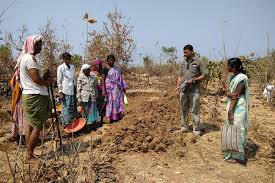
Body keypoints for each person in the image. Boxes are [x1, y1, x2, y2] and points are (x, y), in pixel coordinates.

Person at [19, 35, 53, 162]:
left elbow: (33, 77)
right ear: (30, 45)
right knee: (38, 127)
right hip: (35, 96)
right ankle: (29, 155)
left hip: (30, 95)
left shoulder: (25, 58)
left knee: (30, 125)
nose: (39, 47)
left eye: (40, 45)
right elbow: (36, 79)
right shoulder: (30, 59)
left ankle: (29, 152)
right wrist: (47, 82)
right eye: (37, 44)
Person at [177, 45, 208, 136]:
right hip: (183, 90)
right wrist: (178, 87)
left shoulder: (198, 61)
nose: (184, 54)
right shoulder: (183, 62)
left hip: (194, 90)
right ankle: (184, 127)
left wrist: (194, 80)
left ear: (192, 51)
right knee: (183, 109)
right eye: (184, 52)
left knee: (195, 109)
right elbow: (179, 75)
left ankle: (196, 129)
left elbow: (205, 75)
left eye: (186, 52)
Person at [223, 57, 249, 164]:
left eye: (229, 65)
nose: (227, 67)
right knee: (231, 128)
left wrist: (230, 111)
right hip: (233, 106)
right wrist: (228, 92)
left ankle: (238, 156)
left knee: (238, 129)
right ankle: (231, 152)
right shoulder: (234, 77)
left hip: (238, 107)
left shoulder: (242, 78)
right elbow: (231, 93)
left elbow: (236, 96)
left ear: (233, 67)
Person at [104, 55, 128, 122]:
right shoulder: (105, 69)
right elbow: (103, 79)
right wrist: (104, 89)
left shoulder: (117, 69)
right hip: (109, 88)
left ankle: (116, 116)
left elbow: (121, 78)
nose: (111, 61)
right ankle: (110, 117)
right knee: (109, 102)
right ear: (107, 61)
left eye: (112, 60)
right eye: (110, 60)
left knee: (116, 102)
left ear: (114, 61)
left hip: (117, 88)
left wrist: (124, 87)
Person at [10, 53, 26, 145]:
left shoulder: (17, 75)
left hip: (21, 101)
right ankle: (20, 141)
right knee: (21, 121)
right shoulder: (17, 76)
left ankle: (21, 140)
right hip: (20, 101)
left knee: (21, 121)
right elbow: (14, 88)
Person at [57, 52, 77, 125]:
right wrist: (60, 91)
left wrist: (76, 87)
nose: (67, 61)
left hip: (72, 89)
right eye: (66, 59)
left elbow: (74, 77)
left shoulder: (72, 67)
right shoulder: (60, 68)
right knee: (66, 107)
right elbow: (59, 81)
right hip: (65, 90)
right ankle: (66, 122)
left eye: (69, 59)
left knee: (73, 106)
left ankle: (73, 122)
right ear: (64, 59)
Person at [77, 64, 99, 129]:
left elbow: (95, 87)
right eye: (86, 70)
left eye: (89, 69)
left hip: (92, 96)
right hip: (84, 97)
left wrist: (96, 95)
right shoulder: (80, 78)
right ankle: (86, 124)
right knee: (86, 111)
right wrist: (79, 98)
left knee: (92, 110)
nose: (88, 71)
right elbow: (78, 89)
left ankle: (92, 123)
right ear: (83, 71)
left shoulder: (93, 77)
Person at [91, 59, 106, 124]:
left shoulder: (101, 73)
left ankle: (101, 120)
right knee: (94, 105)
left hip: (100, 91)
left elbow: (103, 82)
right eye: (97, 64)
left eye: (99, 65)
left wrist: (103, 90)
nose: (98, 66)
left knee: (101, 105)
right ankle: (95, 120)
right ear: (94, 65)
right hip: (94, 91)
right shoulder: (91, 73)